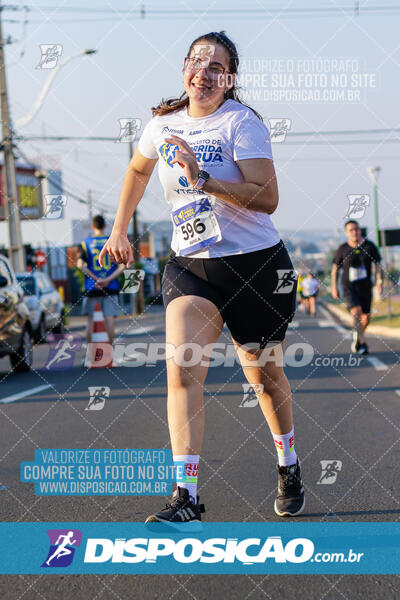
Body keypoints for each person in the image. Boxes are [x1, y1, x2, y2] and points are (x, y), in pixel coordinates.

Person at [99, 31, 305, 525]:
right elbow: (137, 170)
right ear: (184, 69)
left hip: (256, 268)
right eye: (197, 62)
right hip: (193, 268)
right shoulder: (162, 125)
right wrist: (120, 228)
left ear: (230, 79)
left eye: (217, 66)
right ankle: (186, 494)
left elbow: (267, 198)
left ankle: (288, 464)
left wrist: (204, 180)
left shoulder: (242, 123)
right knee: (182, 366)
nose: (204, 72)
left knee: (263, 377)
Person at [331, 220, 383, 355]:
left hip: (365, 286)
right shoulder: (342, 249)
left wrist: (379, 281)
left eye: (356, 229)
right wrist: (334, 287)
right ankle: (363, 342)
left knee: (366, 318)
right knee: (357, 311)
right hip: (349, 286)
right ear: (346, 233)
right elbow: (335, 269)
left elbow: (378, 264)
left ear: (360, 230)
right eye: (351, 230)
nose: (354, 232)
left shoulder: (369, 246)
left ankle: (357, 334)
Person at [77, 214, 125, 346]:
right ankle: (109, 350)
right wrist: (107, 279)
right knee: (109, 318)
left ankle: (90, 352)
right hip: (111, 285)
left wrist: (96, 279)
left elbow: (80, 265)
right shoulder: (112, 241)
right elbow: (123, 265)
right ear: (104, 226)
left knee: (91, 319)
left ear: (93, 226)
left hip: (92, 286)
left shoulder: (85, 243)